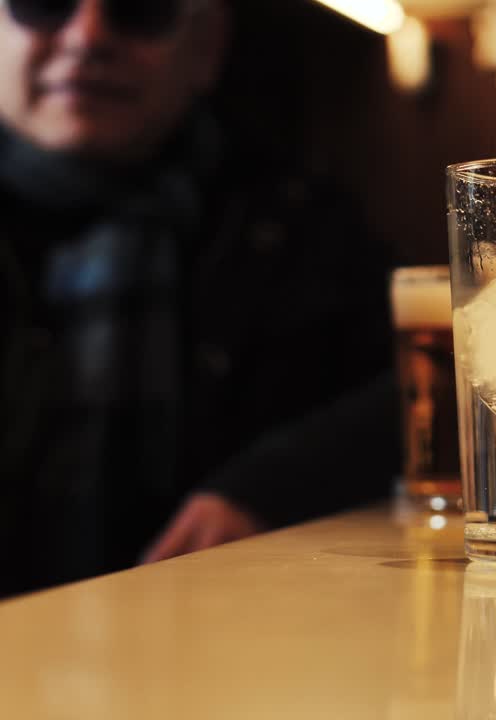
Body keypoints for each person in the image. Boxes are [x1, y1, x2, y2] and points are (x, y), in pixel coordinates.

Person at [0, 0, 399, 598]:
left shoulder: (303, 225)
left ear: (206, 48)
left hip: (228, 654)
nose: (87, 36)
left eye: (143, 11)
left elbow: (431, 385)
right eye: (43, 4)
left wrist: (273, 485)